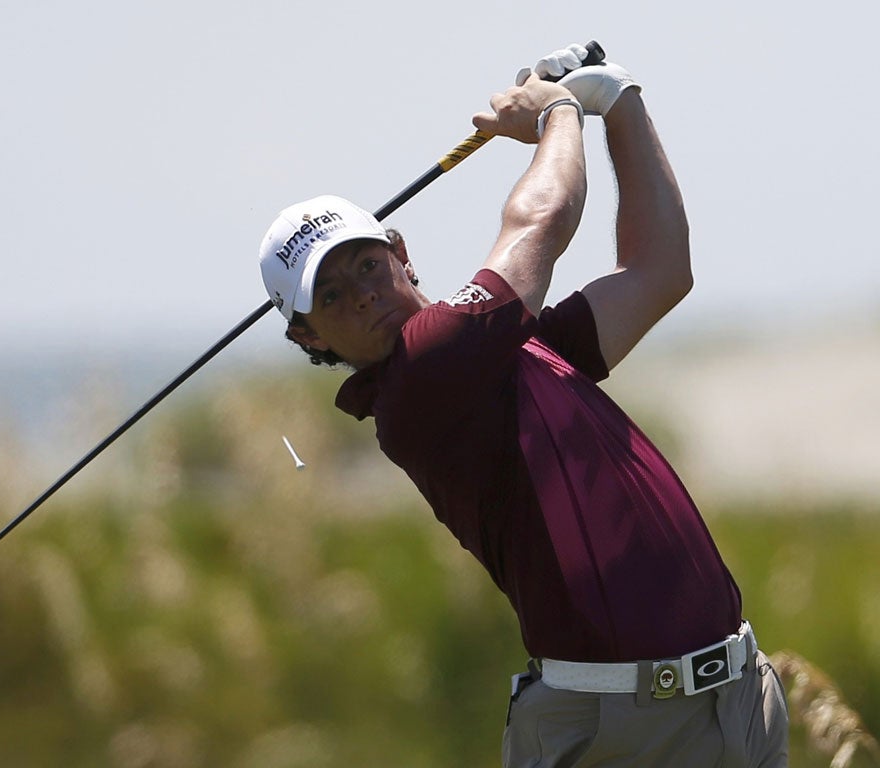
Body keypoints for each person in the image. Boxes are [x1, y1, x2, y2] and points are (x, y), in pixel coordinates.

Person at [258, 43, 789, 767]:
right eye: (330, 295)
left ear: (400, 251)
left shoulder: (516, 348)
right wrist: (560, 113)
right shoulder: (421, 382)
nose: (362, 292)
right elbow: (541, 224)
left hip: (734, 705)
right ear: (307, 334)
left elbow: (660, 270)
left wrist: (621, 101)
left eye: (366, 263)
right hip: (614, 732)